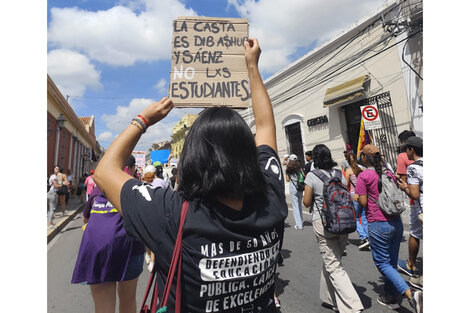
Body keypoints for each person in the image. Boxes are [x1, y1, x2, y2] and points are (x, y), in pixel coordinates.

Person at [94, 38, 288, 312]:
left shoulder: (170, 212)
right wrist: (252, 67)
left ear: (191, 159)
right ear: (247, 153)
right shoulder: (271, 196)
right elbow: (267, 126)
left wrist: (143, 119)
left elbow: (104, 171)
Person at [354, 144, 422, 312]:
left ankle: (411, 294)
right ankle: (391, 296)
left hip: (378, 223)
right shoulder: (389, 173)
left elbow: (362, 202)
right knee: (391, 262)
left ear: (364, 158)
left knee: (382, 263)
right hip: (396, 223)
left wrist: (355, 196)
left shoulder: (365, 176)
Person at [303, 144, 364, 313]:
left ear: (314, 158)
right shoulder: (339, 173)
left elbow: (306, 202)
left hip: (323, 223)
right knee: (333, 260)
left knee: (333, 264)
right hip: (343, 222)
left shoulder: (311, 175)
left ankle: (352, 306)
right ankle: (329, 298)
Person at [71, 184, 145, 313]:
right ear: (132, 168)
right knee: (128, 301)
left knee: (103, 306)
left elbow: (85, 218)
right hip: (130, 248)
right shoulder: (136, 186)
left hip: (98, 248)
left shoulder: (98, 188)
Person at [396, 136, 423, 289]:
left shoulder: (413, 167)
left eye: (407, 149)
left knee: (415, 232)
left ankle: (411, 265)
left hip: (422, 208)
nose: (405, 152)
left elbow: (414, 194)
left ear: (411, 150)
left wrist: (404, 187)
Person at [343, 152, 369, 251]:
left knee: (355, 218)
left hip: (354, 195)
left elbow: (345, 184)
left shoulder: (349, 170)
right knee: (364, 216)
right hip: (363, 195)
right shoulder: (363, 169)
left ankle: (363, 237)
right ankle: (368, 235)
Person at [285, 154, 304, 230]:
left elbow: (287, 180)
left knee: (295, 206)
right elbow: (303, 175)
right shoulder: (299, 167)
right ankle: (301, 221)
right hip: (300, 186)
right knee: (299, 205)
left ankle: (299, 225)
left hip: (293, 187)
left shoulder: (288, 168)